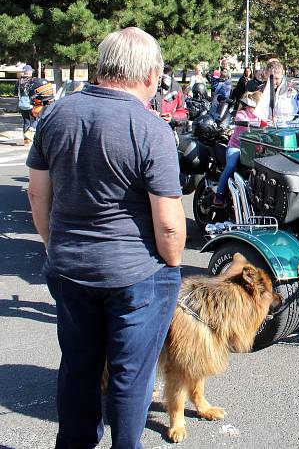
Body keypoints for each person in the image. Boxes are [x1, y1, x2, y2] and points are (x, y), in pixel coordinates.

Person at [26, 27, 185, 448]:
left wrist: (52, 244)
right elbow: (169, 224)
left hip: (70, 265)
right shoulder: (152, 129)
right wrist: (172, 265)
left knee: (78, 365)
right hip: (135, 274)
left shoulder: (55, 116)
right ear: (151, 75)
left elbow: (38, 193)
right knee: (130, 374)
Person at [213, 89, 263, 207]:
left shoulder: (261, 116)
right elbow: (240, 121)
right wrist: (249, 123)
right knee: (231, 165)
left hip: (253, 149)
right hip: (237, 147)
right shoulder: (242, 114)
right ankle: (219, 195)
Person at [256, 59, 299, 125]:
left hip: (288, 128)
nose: (274, 82)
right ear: (266, 75)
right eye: (271, 78)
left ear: (282, 75)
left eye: (277, 78)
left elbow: (298, 113)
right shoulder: (260, 90)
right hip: (267, 129)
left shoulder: (294, 90)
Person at [15, 64, 34, 145]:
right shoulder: (32, 81)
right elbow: (34, 91)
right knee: (37, 119)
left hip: (22, 104)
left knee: (26, 122)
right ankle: (30, 133)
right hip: (31, 104)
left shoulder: (19, 81)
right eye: (31, 71)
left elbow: (15, 92)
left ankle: (26, 141)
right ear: (29, 72)